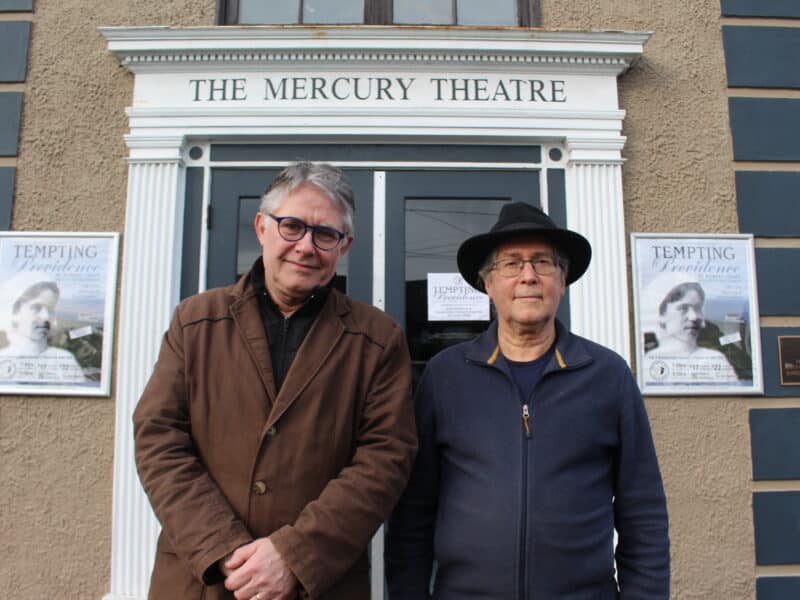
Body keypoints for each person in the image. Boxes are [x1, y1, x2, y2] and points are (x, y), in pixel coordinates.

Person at [133, 162, 417, 600]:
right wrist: (223, 547)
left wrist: (293, 556)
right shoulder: (196, 321)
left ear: (345, 246)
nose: (306, 246)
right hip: (204, 578)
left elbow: (385, 459)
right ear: (261, 227)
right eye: (292, 226)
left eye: (325, 234)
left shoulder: (377, 339)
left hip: (317, 583)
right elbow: (158, 440)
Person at [385, 202, 669, 599]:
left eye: (543, 263)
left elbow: (643, 512)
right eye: (511, 264)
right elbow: (414, 510)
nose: (529, 276)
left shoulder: (607, 376)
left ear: (563, 280)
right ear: (488, 283)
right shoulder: (446, 375)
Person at [642, 273, 738, 384]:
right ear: (662, 315)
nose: (694, 317)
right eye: (683, 308)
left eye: (698, 308)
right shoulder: (647, 364)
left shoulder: (716, 360)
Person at [0, 272, 85, 383]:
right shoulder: (3, 358)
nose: (46, 317)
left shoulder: (66, 361)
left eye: (50, 310)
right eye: (36, 308)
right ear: (16, 312)